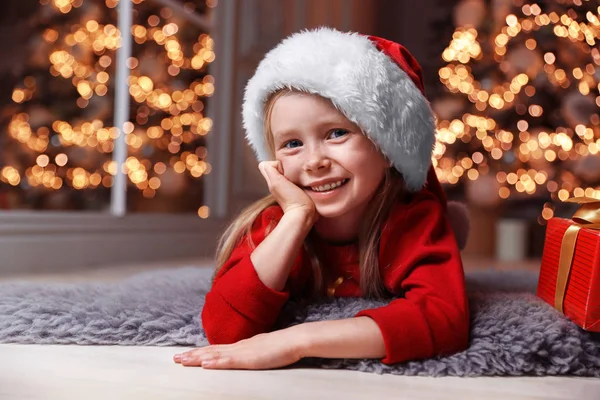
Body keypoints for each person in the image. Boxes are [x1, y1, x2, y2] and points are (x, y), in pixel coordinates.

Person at [174, 27, 470, 370]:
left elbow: (443, 318)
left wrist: (297, 340)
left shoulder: (413, 219)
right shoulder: (276, 224)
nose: (314, 162)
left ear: (387, 147)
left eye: (337, 133)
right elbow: (224, 329)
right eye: (292, 144)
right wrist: (297, 217)